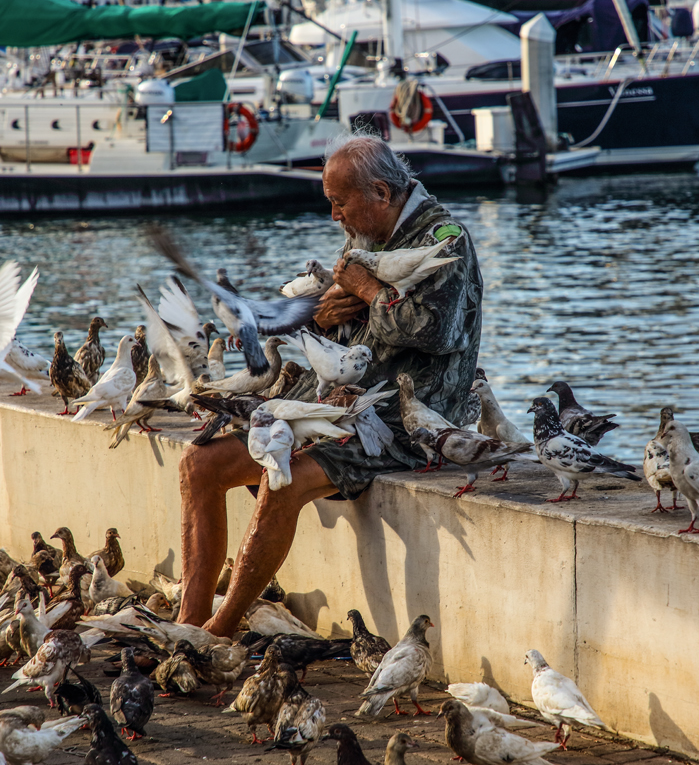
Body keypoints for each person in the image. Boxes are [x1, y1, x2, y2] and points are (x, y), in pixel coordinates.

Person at [177, 132, 483, 637]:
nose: (334, 216)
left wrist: (365, 290)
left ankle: (216, 635)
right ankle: (186, 623)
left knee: (284, 479)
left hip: (400, 415)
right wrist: (325, 314)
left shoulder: (445, 239)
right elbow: (349, 312)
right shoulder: (366, 235)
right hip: (333, 396)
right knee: (200, 464)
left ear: (381, 193)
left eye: (339, 203)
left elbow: (436, 331)